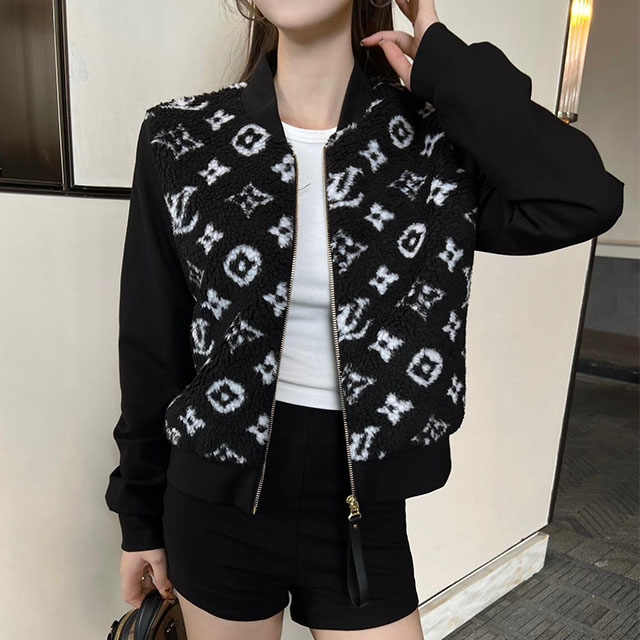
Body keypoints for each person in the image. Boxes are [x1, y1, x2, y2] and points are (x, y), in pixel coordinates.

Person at [105, 1, 624, 638]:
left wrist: (443, 61)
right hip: (214, 501)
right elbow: (150, 341)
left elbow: (583, 197)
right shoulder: (181, 135)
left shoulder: (431, 140)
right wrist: (139, 517)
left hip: (363, 506)